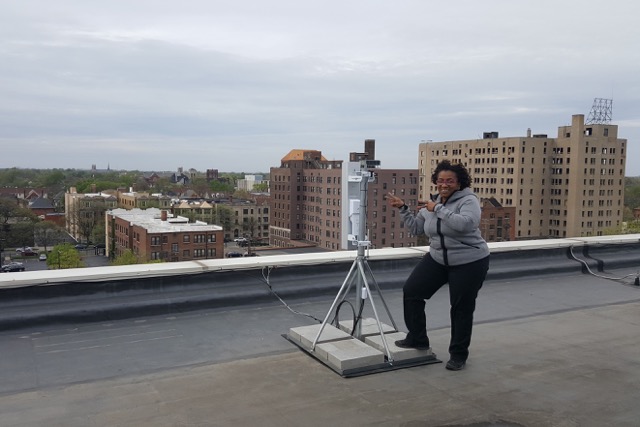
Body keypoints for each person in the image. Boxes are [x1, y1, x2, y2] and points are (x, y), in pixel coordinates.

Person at [386, 160, 490, 371]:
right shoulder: (431, 204)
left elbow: (466, 224)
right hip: (438, 258)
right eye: (441, 180)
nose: (444, 184)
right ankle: (418, 338)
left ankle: (458, 355)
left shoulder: (468, 200)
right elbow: (417, 229)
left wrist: (439, 209)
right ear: (435, 182)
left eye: (449, 181)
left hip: (469, 261)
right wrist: (404, 209)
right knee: (412, 291)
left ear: (459, 182)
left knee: (461, 308)